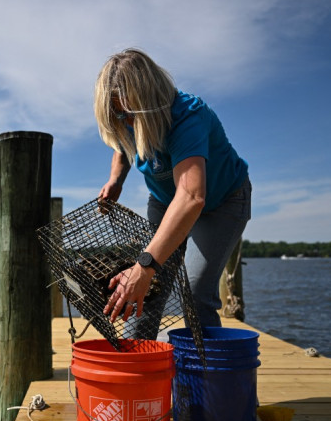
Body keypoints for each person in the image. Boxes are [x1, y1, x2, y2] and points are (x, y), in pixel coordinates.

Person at [95, 48, 251, 329]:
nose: (126, 123)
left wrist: (144, 266)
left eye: (128, 115)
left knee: (193, 293)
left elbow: (192, 197)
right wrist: (115, 180)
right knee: (147, 289)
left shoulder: (187, 116)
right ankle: (138, 365)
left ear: (148, 101)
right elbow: (121, 147)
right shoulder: (126, 114)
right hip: (165, 200)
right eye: (119, 117)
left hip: (222, 201)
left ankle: (202, 372)